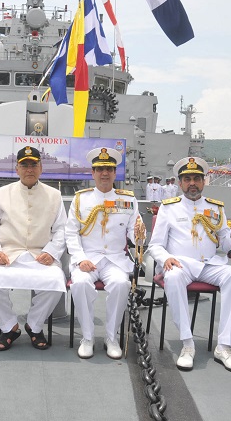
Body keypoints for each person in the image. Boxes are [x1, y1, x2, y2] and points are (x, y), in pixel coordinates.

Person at [148, 157, 231, 373]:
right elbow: (155, 245)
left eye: (197, 179)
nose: (192, 183)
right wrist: (166, 259)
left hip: (208, 265)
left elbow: (227, 245)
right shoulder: (168, 208)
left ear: (204, 182)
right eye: (187, 179)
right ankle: (187, 344)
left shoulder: (216, 208)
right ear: (180, 183)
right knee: (172, 277)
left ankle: (224, 346)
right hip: (180, 265)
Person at [0, 146, 67, 351]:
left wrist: (51, 253)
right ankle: (10, 325)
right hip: (8, 255)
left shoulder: (54, 195)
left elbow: (62, 229)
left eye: (33, 165)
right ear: (17, 169)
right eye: (24, 165)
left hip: (39, 254)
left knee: (56, 280)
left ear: (41, 168)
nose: (29, 169)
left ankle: (34, 325)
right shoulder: (2, 193)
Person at [65, 147, 145, 359]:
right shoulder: (80, 199)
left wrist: (139, 236)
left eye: (109, 168)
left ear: (115, 172)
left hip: (114, 261)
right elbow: (71, 233)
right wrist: (80, 259)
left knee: (121, 284)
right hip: (87, 258)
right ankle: (88, 337)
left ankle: (111, 337)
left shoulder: (128, 200)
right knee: (80, 284)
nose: (105, 173)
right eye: (100, 169)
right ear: (93, 173)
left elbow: (135, 236)